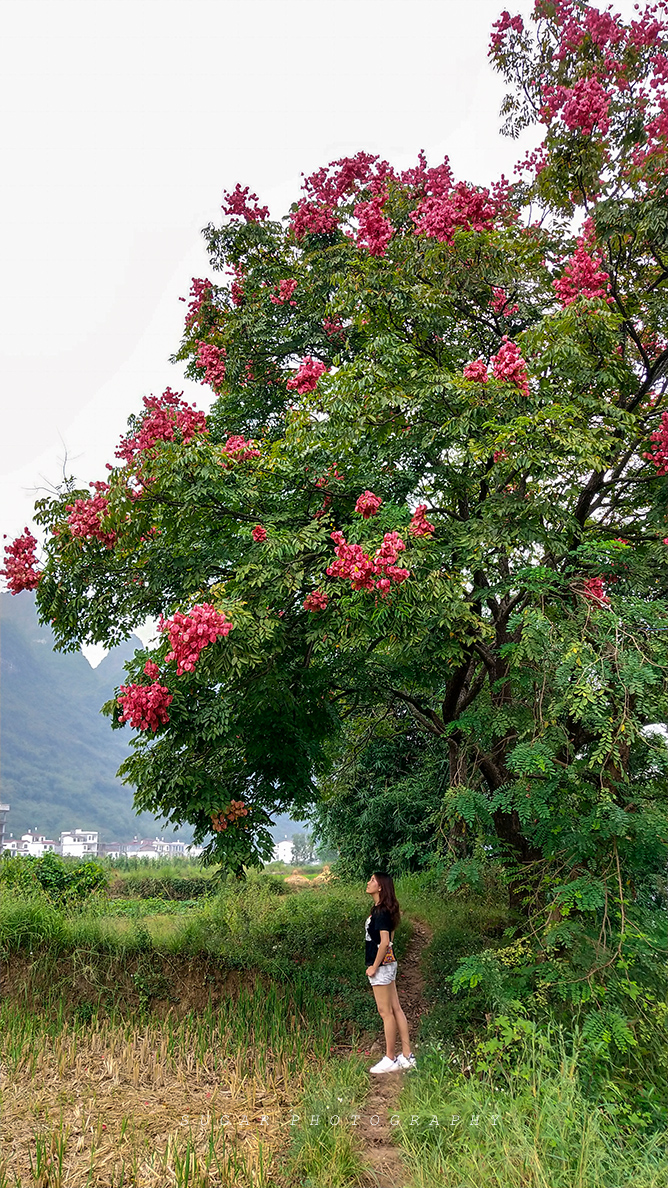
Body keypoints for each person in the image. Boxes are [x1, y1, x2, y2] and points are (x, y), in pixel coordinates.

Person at [364, 872, 417, 1074]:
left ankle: (390, 1057)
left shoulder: (381, 912)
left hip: (381, 967)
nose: (368, 883)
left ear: (380, 887)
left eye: (372, 880)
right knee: (396, 1009)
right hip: (389, 964)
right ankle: (407, 1055)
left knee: (385, 1012)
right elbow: (389, 940)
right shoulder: (382, 910)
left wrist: (374, 966)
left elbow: (385, 942)